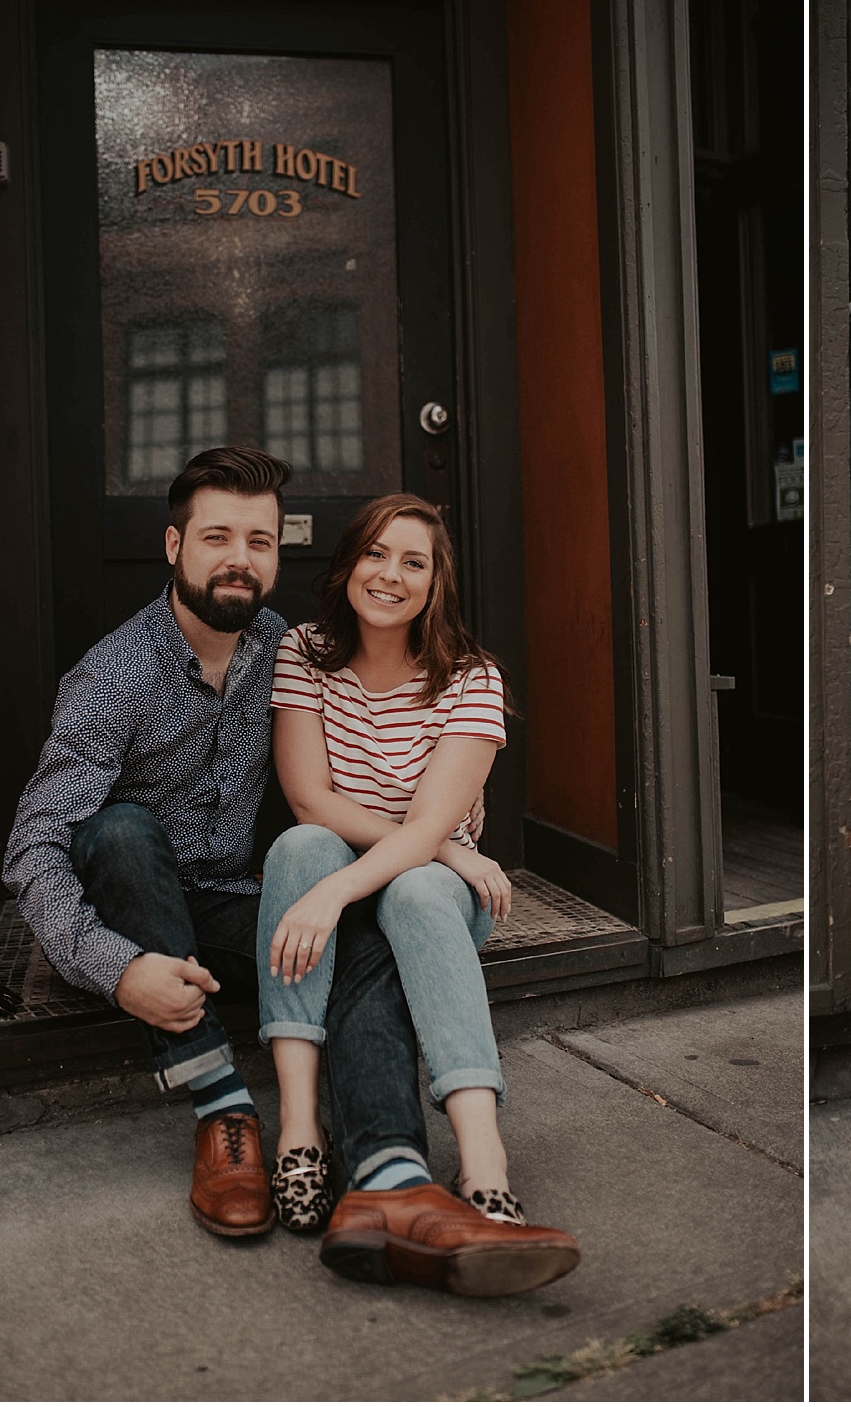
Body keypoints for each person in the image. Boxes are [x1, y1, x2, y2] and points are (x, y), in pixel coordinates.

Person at [3, 448, 561, 1297]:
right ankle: (224, 1110)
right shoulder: (113, 677)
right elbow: (34, 846)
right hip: (135, 916)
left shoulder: (281, 645)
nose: (240, 558)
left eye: (258, 541)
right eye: (217, 537)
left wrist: (439, 840)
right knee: (118, 830)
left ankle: (388, 1172)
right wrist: (117, 969)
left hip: (232, 905)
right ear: (173, 546)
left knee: (364, 930)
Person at [256, 492, 580, 1297]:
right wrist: (437, 849)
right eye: (376, 553)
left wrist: (364, 881)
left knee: (419, 893)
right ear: (348, 563)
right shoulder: (304, 650)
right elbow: (309, 799)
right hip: (368, 859)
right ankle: (299, 1131)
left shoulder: (471, 678)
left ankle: (484, 1165)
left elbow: (428, 825)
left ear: (436, 582)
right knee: (300, 846)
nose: (390, 575)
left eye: (414, 562)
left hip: (432, 894)